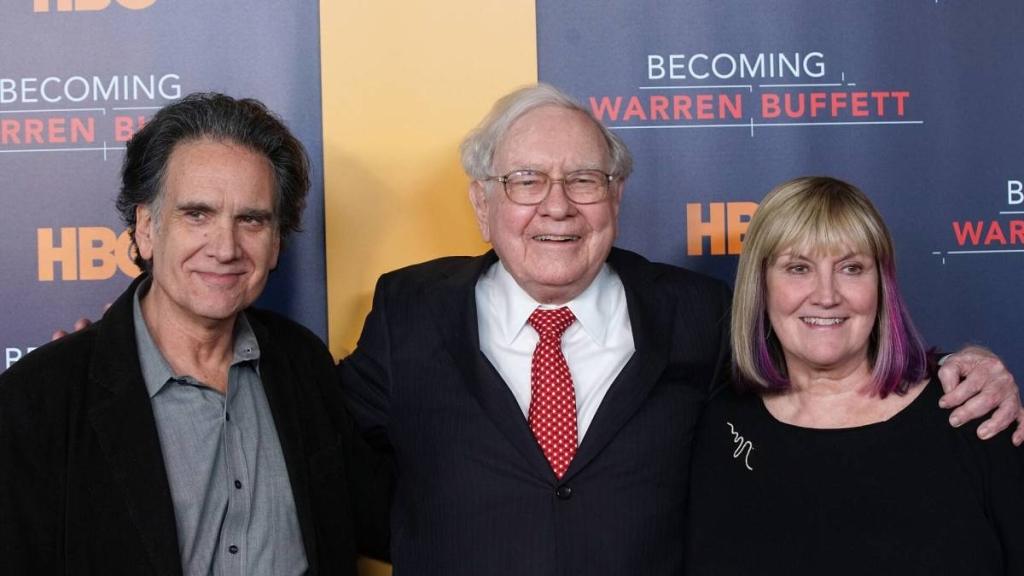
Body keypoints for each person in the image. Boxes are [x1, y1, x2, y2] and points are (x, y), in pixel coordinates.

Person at [339, 84, 1022, 575]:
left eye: (584, 179)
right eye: (526, 180)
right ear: (482, 201)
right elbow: (323, 454)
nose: (557, 206)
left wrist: (969, 365)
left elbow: (822, 362)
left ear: (616, 196)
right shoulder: (412, 311)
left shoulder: (697, 312)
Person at [0, 93, 389, 575]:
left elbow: (384, 515)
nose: (225, 248)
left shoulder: (303, 363)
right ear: (146, 229)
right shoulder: (39, 400)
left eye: (251, 220)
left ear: (276, 243)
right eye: (197, 214)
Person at [684, 177, 1024, 575]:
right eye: (798, 268)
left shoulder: (973, 413)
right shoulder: (717, 426)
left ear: (881, 285)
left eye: (851, 268)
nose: (826, 295)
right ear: (761, 285)